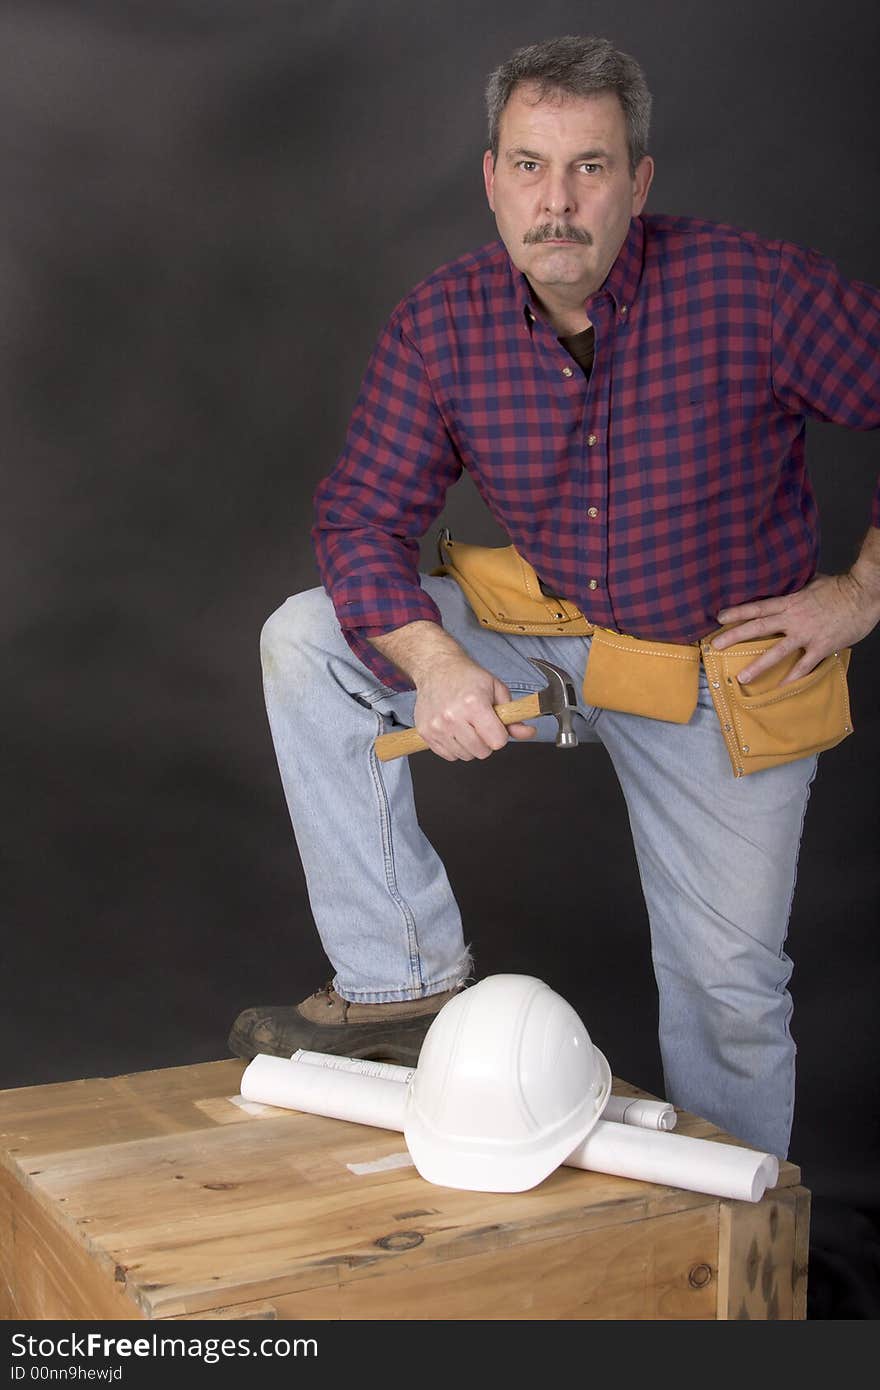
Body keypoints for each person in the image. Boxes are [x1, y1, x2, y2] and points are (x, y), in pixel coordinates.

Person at [229, 35, 880, 1158]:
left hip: (724, 675)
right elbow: (360, 520)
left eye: (589, 167)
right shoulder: (441, 322)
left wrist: (860, 592)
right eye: (529, 166)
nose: (557, 201)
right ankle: (401, 981)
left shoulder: (754, 290)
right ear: (489, 178)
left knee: (729, 990)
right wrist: (435, 665)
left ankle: (734, 1254)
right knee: (307, 639)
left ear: (640, 181)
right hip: (554, 638)